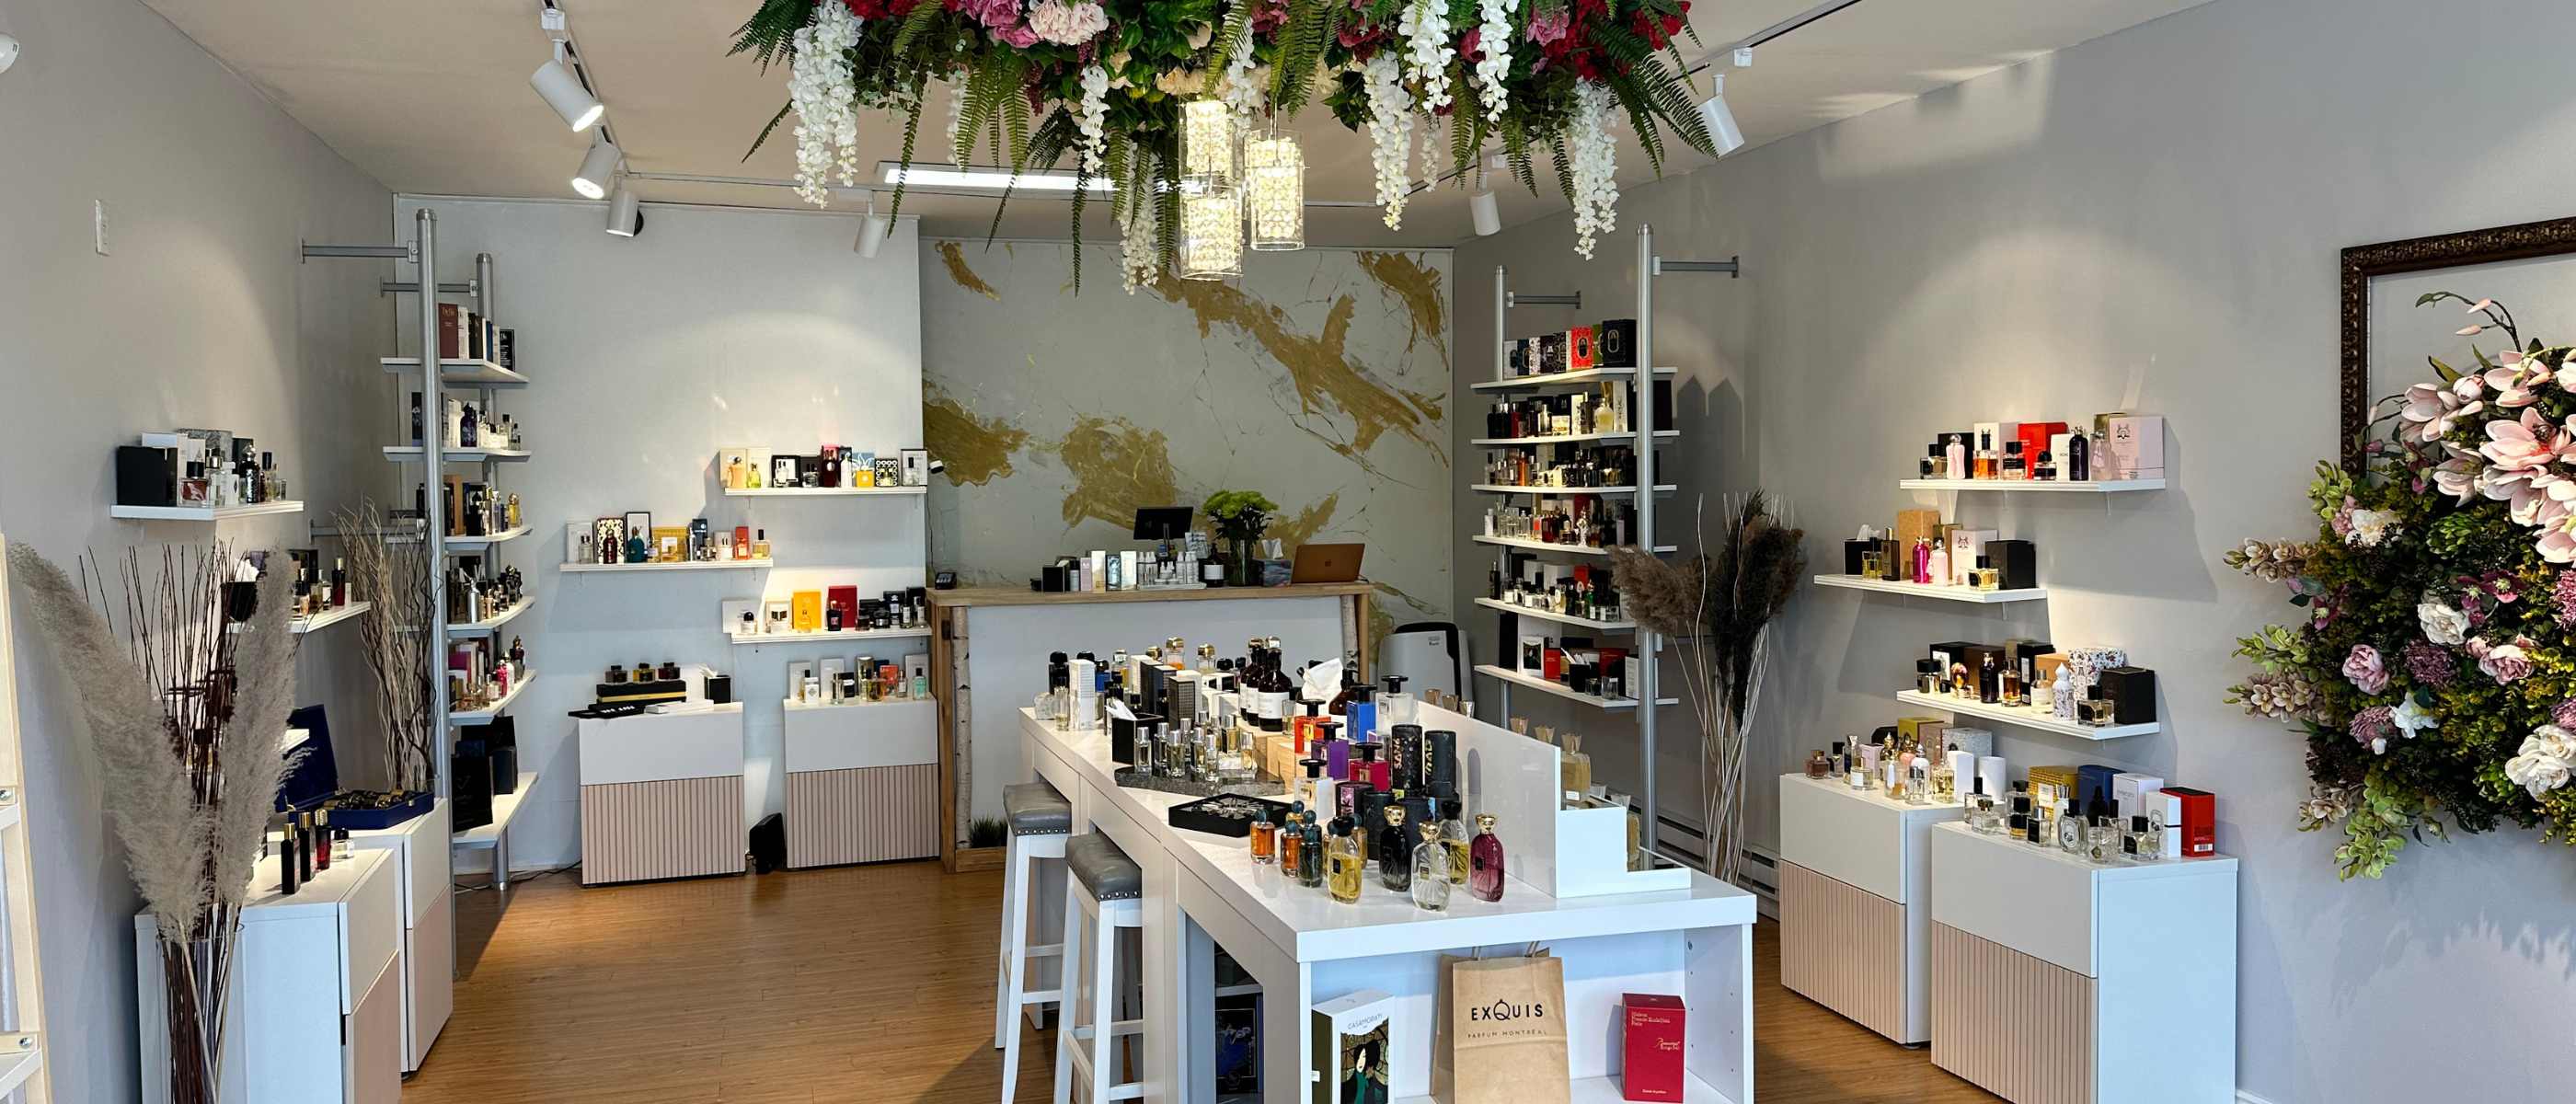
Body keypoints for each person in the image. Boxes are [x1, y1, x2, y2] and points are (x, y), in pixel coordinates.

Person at [1340, 1034, 1386, 1104]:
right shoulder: (1343, 1088)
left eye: (1364, 1057)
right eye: (1359, 1057)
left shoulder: (1377, 1088)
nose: (1361, 1061)